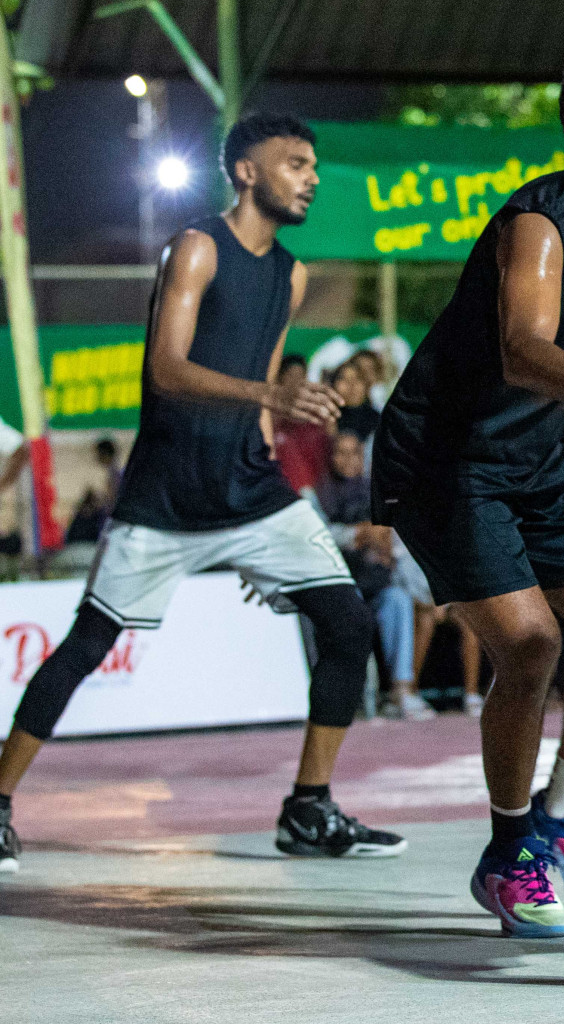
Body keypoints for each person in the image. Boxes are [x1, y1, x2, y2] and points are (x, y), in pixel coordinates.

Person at [0, 113, 403, 875]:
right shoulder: (195, 248)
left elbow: (259, 394)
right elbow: (168, 369)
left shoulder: (291, 274)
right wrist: (273, 397)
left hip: (251, 495)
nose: (310, 176)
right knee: (88, 645)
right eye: (294, 163)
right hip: (164, 498)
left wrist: (263, 543)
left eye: (314, 164)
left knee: (346, 623)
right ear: (246, 172)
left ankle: (309, 807)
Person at [372, 47, 564, 936]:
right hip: (450, 461)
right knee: (533, 645)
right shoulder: (540, 222)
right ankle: (509, 859)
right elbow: (524, 349)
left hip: (543, 464)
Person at [315, 430, 431, 721]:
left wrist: (384, 539)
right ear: (330, 457)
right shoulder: (319, 492)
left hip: (376, 581)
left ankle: (401, 691)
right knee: (351, 610)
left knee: (399, 600)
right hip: (339, 584)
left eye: (354, 452)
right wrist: (358, 532)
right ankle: (355, 694)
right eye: (340, 452)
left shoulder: (378, 491)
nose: (348, 459)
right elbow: (318, 536)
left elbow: (397, 538)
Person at [271, 353, 329, 493]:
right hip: (280, 492)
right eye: (290, 375)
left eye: (301, 375)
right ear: (280, 378)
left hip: (315, 493)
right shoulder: (270, 418)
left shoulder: (317, 416)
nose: (296, 381)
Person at [331, 358, 381, 444]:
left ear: (366, 385)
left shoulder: (379, 421)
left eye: (358, 378)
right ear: (334, 384)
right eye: (344, 379)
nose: (351, 385)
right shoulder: (327, 420)